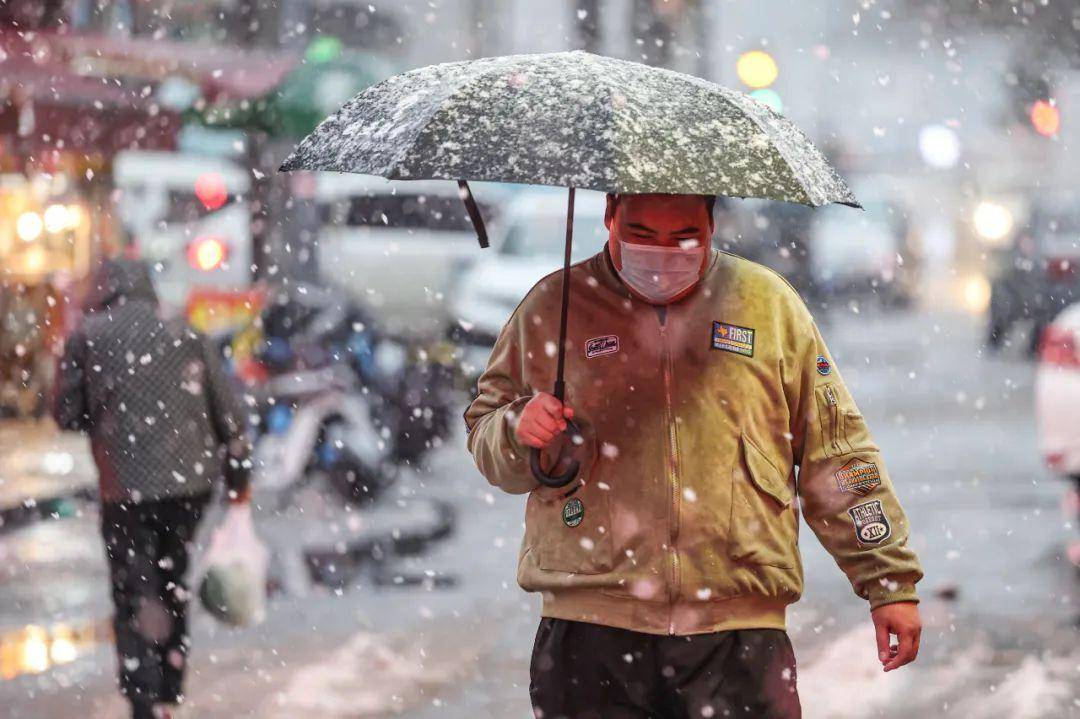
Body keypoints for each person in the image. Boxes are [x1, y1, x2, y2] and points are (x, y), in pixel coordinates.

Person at [464, 193, 924, 719]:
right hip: (591, 631)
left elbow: (836, 451)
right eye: (640, 234)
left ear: (711, 224)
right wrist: (516, 428)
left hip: (738, 634)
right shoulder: (554, 306)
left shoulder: (766, 304)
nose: (662, 253)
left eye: (683, 237)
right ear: (610, 217)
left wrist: (888, 582)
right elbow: (486, 431)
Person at [52, 258, 252, 719]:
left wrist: (107, 418)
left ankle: (142, 695)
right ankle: (169, 687)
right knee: (171, 577)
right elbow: (229, 414)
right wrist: (239, 479)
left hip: (125, 488)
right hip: (189, 485)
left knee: (133, 589)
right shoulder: (186, 331)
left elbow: (66, 415)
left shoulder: (88, 336)